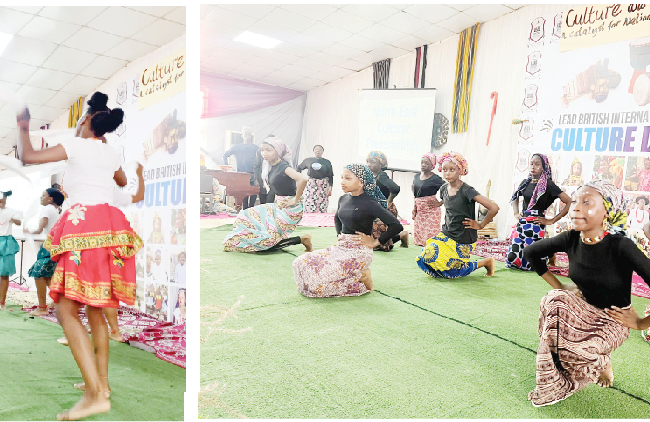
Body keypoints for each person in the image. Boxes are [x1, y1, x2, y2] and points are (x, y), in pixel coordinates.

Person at [17, 91, 142, 420]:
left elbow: (28, 155)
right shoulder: (108, 151)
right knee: (96, 310)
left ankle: (94, 393)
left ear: (86, 121)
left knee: (66, 309)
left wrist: (22, 123)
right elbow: (122, 180)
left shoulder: (77, 145)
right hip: (107, 224)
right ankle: (102, 384)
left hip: (82, 225)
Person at [523, 180, 650, 407]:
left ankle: (602, 362)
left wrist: (641, 323)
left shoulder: (621, 246)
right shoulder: (571, 238)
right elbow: (531, 253)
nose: (575, 208)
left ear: (607, 212)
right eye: (575, 202)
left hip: (614, 319)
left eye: (586, 202)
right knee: (553, 300)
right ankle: (554, 378)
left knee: (578, 351)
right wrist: (560, 287)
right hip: (583, 308)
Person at [293, 164, 403, 297]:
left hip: (359, 252)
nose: (342, 182)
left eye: (348, 178)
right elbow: (337, 219)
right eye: (342, 178)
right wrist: (340, 235)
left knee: (317, 286)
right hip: (341, 248)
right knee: (300, 262)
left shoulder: (370, 203)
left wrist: (376, 242)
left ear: (361, 182)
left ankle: (362, 278)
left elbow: (396, 225)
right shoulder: (343, 199)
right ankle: (357, 276)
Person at [416, 152, 498, 278]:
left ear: (460, 170)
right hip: (447, 233)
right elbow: (448, 201)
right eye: (444, 170)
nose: (447, 173)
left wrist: (481, 225)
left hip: (463, 237)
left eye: (451, 169)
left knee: (451, 273)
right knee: (426, 257)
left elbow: (494, 207)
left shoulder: (467, 190)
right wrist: (439, 204)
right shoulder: (443, 188)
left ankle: (486, 262)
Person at [223, 138, 312, 253]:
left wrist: (295, 200)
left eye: (268, 150)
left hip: (289, 208)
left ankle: (303, 239)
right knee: (246, 215)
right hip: (278, 206)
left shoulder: (284, 167)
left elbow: (303, 179)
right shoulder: (272, 166)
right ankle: (301, 239)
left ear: (278, 151)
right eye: (263, 150)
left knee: (265, 243)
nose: (264, 153)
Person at [506, 154, 571, 271]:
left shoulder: (549, 185)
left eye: (537, 164)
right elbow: (515, 197)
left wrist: (552, 220)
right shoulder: (525, 182)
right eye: (531, 164)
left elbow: (569, 202)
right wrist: (516, 213)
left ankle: (548, 255)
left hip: (536, 224)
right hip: (523, 223)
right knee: (511, 260)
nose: (533, 167)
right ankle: (548, 253)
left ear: (543, 167)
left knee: (532, 265)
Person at [26, 188, 65, 316]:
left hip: (50, 245)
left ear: (50, 199)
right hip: (55, 245)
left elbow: (39, 229)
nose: (41, 198)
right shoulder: (55, 210)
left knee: (38, 274)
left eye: (43, 196)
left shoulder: (47, 209)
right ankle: (60, 303)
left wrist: (28, 231)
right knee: (48, 276)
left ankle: (42, 308)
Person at [366, 151, 409, 250]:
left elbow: (395, 188)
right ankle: (402, 235)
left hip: (385, 210)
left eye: (372, 162)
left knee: (380, 245)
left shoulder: (382, 176)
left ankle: (401, 235)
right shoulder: (372, 176)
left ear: (381, 164)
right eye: (367, 161)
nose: (369, 164)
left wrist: (388, 202)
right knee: (375, 242)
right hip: (377, 209)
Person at [222, 126, 259, 209]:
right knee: (243, 196)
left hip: (253, 175)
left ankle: (251, 210)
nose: (246, 135)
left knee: (254, 193)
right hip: (241, 176)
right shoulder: (236, 147)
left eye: (248, 133)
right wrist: (228, 168)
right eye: (245, 133)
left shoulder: (256, 149)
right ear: (242, 135)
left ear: (251, 135)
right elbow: (225, 156)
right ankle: (245, 212)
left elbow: (262, 161)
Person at [412, 153, 444, 246]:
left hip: (431, 211)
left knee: (430, 238)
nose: (423, 165)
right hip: (420, 211)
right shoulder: (416, 176)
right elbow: (414, 190)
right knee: (419, 240)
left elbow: (450, 189)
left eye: (426, 163)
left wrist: (440, 203)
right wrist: (415, 206)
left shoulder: (436, 179)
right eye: (422, 162)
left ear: (432, 165)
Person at [0, 191, 21, 310]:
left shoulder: (10, 211)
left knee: (4, 273)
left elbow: (19, 222)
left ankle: (2, 302)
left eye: (3, 198)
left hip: (6, 243)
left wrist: (11, 217)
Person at [297, 145, 334, 213]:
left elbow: (330, 175)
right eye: (316, 149)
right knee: (309, 201)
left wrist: (330, 188)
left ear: (322, 152)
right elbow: (299, 168)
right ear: (313, 151)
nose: (318, 151)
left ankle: (320, 218)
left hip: (323, 185)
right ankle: (309, 218)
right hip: (311, 184)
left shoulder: (327, 162)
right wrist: (299, 178)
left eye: (320, 149)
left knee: (322, 202)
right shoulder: (308, 160)